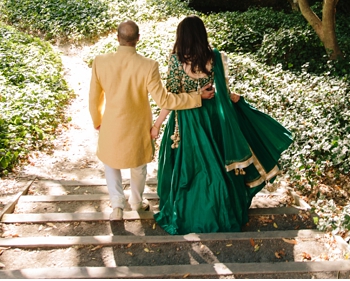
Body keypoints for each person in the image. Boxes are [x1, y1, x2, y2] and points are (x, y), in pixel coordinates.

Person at [151, 15, 293, 234]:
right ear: (201, 34)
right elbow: (222, 91)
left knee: (191, 167)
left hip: (187, 120)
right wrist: (230, 97)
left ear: (182, 36)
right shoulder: (215, 57)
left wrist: (158, 123)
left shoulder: (177, 61)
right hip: (213, 119)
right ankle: (222, 210)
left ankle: (190, 213)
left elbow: (170, 98)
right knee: (216, 165)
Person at [89, 20, 215, 221]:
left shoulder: (100, 62)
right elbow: (164, 99)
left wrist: (97, 120)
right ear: (138, 39)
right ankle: (137, 202)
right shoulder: (148, 66)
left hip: (111, 123)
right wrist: (197, 97)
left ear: (117, 37)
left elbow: (94, 97)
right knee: (138, 165)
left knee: (111, 164)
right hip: (137, 125)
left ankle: (116, 206)